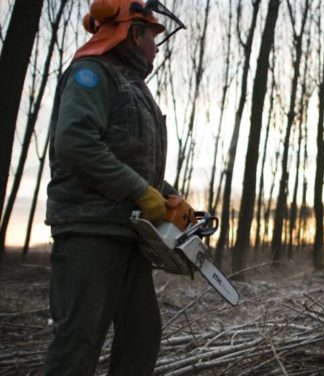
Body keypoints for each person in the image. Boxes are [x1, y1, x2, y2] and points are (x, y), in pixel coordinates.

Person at [43, 1, 185, 374]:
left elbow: (135, 157)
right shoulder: (92, 73)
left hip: (128, 230)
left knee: (141, 334)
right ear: (133, 33)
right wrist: (138, 189)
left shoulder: (133, 86)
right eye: (153, 37)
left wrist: (167, 195)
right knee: (79, 339)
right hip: (90, 228)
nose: (157, 46)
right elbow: (75, 142)